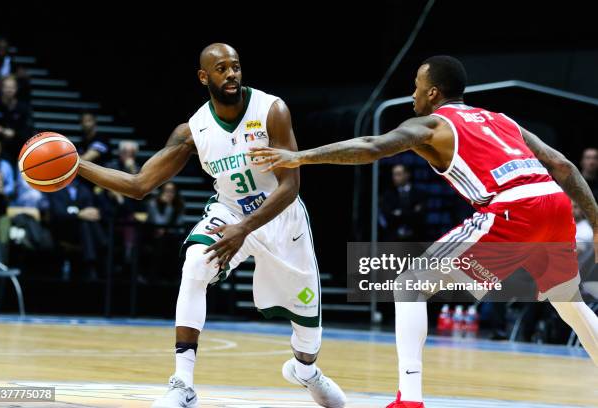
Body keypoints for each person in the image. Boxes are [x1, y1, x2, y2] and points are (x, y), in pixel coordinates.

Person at [249, 55, 598, 407]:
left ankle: (409, 399)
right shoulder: (501, 120)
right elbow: (562, 165)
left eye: (416, 84)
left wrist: (300, 157)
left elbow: (371, 147)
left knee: (409, 284)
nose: (411, 91)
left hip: (514, 208)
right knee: (570, 303)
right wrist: (597, 225)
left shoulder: (433, 126)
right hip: (552, 202)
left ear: (432, 92)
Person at [77, 43, 346, 408]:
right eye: (221, 69)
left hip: (281, 218)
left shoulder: (271, 110)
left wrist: (246, 228)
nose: (231, 74)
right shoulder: (193, 129)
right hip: (231, 212)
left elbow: (290, 186)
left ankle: (306, 371)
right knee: (196, 264)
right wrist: (76, 165)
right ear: (204, 77)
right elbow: (139, 186)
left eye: (235, 66)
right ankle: (182, 383)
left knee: (308, 334)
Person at [0, 75, 32, 160]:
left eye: (12, 87)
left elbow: (28, 131)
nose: (9, 90)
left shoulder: (23, 108)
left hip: (18, 146)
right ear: (1, 88)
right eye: (6, 87)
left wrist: (14, 134)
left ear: (16, 89)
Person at [379, 164, 425, 241]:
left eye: (398, 174)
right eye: (394, 174)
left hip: (416, 240)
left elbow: (420, 217)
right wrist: (411, 211)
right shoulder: (388, 195)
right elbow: (387, 217)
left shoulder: (419, 194)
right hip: (393, 240)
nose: (395, 177)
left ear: (407, 175)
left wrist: (399, 213)